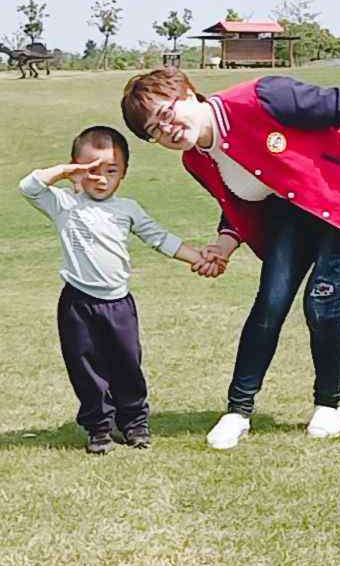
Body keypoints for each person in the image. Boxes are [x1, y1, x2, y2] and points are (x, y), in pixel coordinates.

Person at [120, 68, 340, 450]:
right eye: (153, 130)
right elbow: (238, 201)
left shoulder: (263, 96)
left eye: (166, 114)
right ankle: (237, 412)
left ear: (188, 93)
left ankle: (328, 404)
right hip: (290, 209)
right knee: (269, 305)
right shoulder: (196, 160)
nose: (166, 130)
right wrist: (225, 243)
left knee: (321, 305)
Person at [20, 125, 208, 454]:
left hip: (119, 304)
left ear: (123, 173)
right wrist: (65, 173)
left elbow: (160, 238)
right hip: (77, 303)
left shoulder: (128, 209)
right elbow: (29, 187)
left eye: (111, 171)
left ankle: (134, 422)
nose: (101, 179)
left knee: (126, 363)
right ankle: (98, 427)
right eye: (92, 170)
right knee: (86, 367)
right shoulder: (63, 203)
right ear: (77, 168)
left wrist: (197, 258)